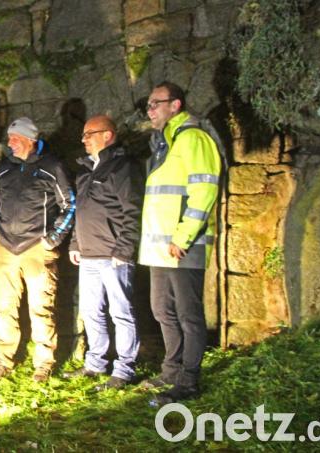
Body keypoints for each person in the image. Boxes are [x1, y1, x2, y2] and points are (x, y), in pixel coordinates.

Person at [139, 81, 221, 403]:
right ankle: (170, 371)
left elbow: (204, 190)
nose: (150, 111)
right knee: (162, 309)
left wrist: (183, 236)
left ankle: (188, 382)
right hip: (160, 248)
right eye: (148, 105)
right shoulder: (165, 144)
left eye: (155, 104)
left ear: (175, 105)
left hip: (184, 246)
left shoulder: (193, 139)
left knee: (189, 314)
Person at [0, 117, 75, 383]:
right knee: (4, 307)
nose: (9, 142)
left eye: (14, 138)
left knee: (42, 308)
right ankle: (1, 362)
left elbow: (69, 204)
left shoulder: (51, 167)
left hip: (37, 247)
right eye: (9, 138)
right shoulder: (3, 168)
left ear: (29, 140)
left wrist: (52, 239)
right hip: (6, 248)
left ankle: (43, 364)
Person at [63, 115, 144, 390]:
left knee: (121, 312)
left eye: (89, 134)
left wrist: (124, 248)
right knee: (90, 310)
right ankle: (95, 364)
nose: (83, 139)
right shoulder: (85, 171)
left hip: (113, 255)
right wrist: (75, 243)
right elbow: (81, 212)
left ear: (107, 135)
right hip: (88, 255)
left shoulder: (123, 168)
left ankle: (124, 370)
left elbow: (132, 210)